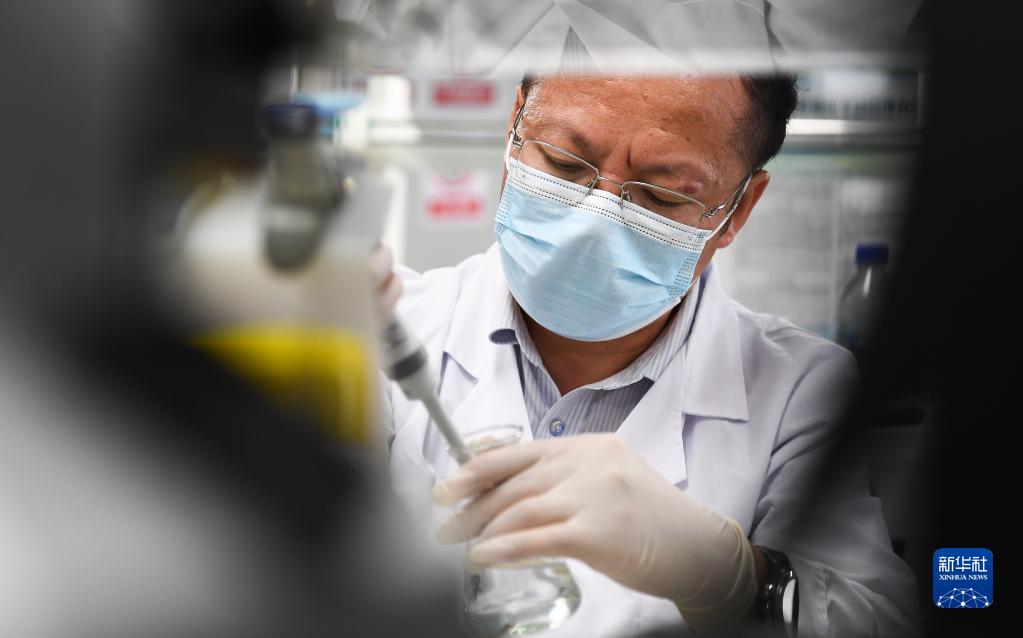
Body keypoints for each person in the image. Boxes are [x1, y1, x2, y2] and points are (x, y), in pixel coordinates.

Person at [377, 75, 921, 636]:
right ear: (516, 121)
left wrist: (734, 581)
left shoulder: (798, 392)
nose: (594, 222)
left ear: (738, 209)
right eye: (563, 161)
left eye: (663, 194)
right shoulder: (384, 332)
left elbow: (888, 623)